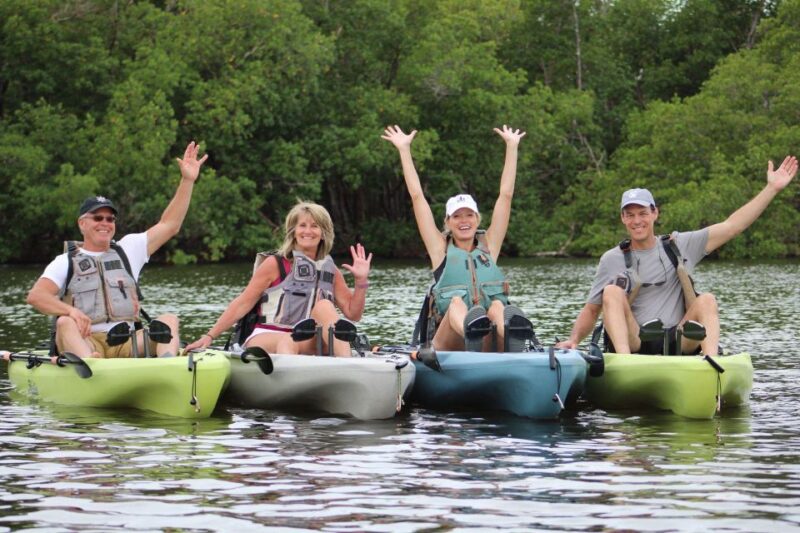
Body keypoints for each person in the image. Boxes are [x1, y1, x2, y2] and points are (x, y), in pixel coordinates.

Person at [556, 155, 798, 356]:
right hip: (635, 341)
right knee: (611, 292)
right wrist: (574, 339)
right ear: (622, 218)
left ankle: (710, 364)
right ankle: (624, 364)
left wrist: (771, 189)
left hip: (679, 339)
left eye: (642, 213)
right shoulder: (612, 258)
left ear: (654, 213)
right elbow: (591, 310)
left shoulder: (680, 244)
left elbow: (733, 226)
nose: (637, 221)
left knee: (707, 300)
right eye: (629, 215)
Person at [26, 141, 209, 358]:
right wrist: (71, 311)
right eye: (98, 217)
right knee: (65, 322)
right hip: (88, 342)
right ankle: (90, 365)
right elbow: (36, 297)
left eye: (110, 218)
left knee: (168, 320)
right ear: (82, 224)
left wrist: (187, 180)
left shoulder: (129, 248)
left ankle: (167, 365)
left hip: (127, 343)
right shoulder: (65, 261)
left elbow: (170, 225)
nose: (105, 222)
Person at [381, 124, 533, 353]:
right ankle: (471, 330)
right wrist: (404, 150)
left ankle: (513, 334)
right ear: (448, 223)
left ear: (477, 219)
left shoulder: (489, 245)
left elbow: (506, 196)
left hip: (491, 339)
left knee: (496, 306)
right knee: (455, 303)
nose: (464, 220)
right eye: (457, 216)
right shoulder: (439, 249)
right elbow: (417, 197)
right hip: (450, 342)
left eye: (469, 215)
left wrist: (512, 147)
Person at [185, 202, 372, 357]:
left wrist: (361, 281)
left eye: (315, 226)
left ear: (323, 233)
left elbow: (353, 314)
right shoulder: (275, 263)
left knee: (325, 306)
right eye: (302, 225)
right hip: (267, 335)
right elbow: (242, 304)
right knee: (287, 341)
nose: (308, 231)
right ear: (293, 231)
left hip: (304, 340)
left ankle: (347, 367)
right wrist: (209, 336)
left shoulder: (330, 269)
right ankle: (293, 387)